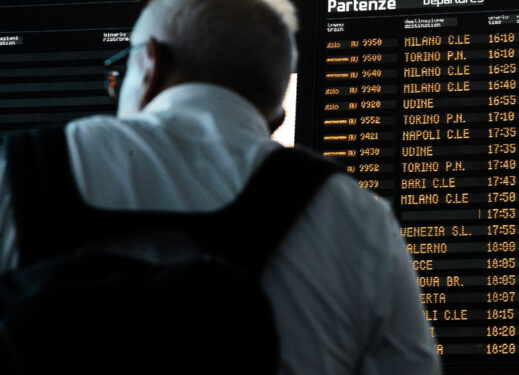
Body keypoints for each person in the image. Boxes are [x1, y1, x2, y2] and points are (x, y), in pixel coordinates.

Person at [0, 0, 441, 374]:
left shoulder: (13, 171)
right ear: (274, 122)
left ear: (150, 63)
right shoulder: (356, 217)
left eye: (119, 76)